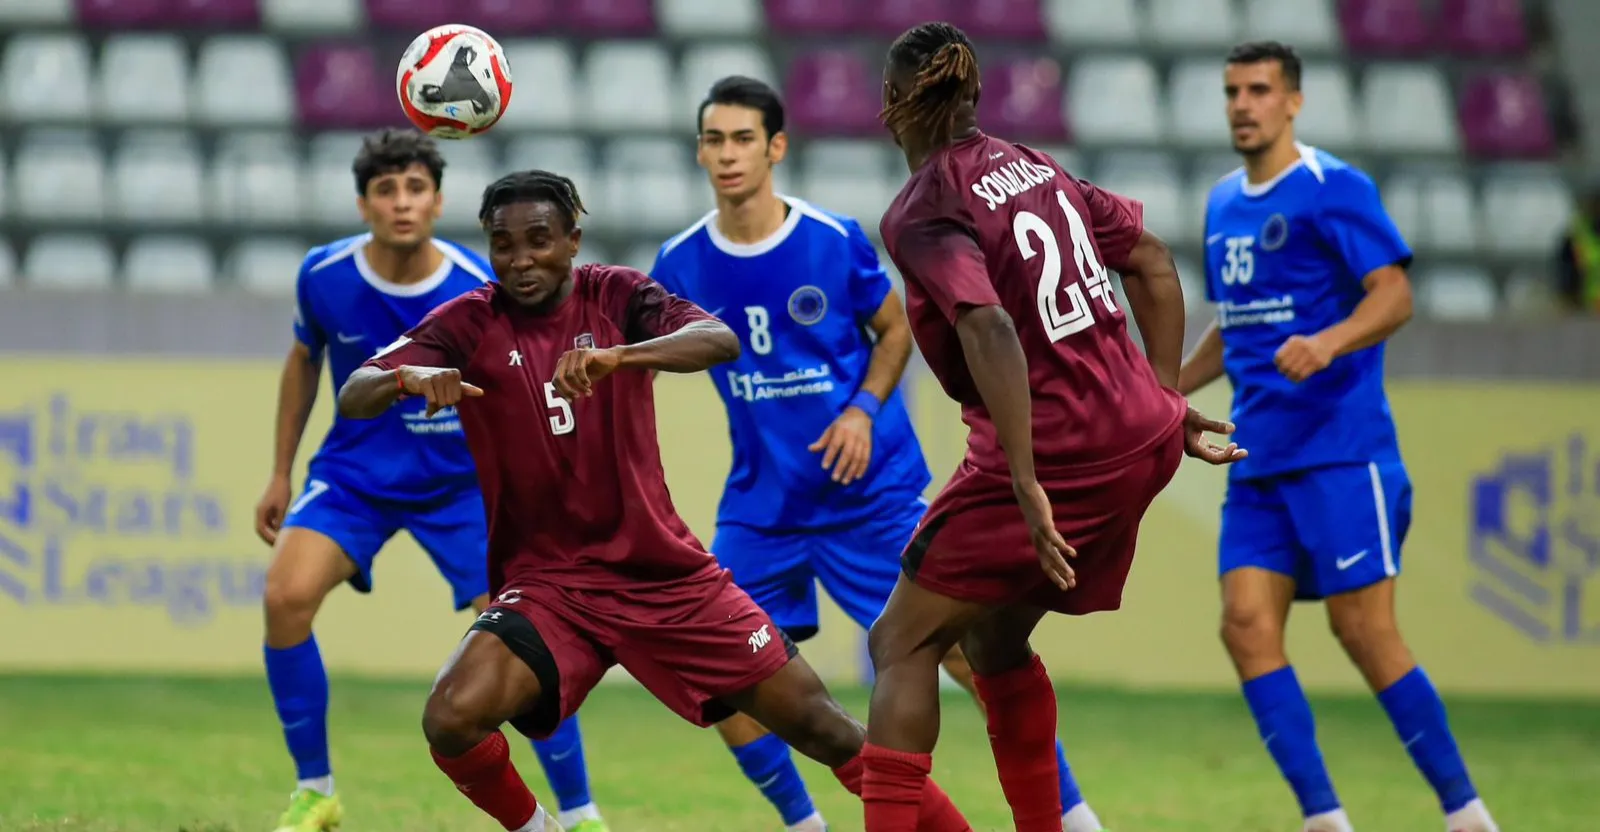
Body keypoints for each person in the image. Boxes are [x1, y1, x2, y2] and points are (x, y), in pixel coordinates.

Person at [335, 170, 974, 832]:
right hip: (552, 588)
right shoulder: (469, 322)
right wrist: (408, 377)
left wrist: (622, 357)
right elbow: (357, 390)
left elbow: (718, 340)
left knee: (827, 731)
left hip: (663, 577)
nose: (521, 260)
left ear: (573, 240)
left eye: (539, 240)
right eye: (503, 244)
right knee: (450, 717)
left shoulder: (616, 294)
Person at [651, 75, 1105, 832]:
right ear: (699, 150)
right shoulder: (681, 260)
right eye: (714, 139)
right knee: (718, 676)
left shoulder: (831, 239)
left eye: (742, 139)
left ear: (775, 147)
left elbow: (894, 332)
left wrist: (863, 410)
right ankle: (806, 823)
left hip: (870, 496)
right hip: (764, 505)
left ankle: (1073, 816)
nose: (727, 155)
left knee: (969, 654)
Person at [863, 22, 1246, 832]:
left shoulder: (924, 207)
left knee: (901, 643)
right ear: (976, 98)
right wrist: (1164, 401)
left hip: (1056, 455)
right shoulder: (1037, 166)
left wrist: (1027, 482)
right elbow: (1149, 258)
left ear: (891, 102)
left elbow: (989, 328)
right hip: (1138, 436)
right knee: (997, 642)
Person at [1176, 41, 1499, 832]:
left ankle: (1466, 814)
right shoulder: (1222, 204)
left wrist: (1328, 341)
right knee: (1245, 627)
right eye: (1231, 91)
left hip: (1341, 451)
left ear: (1293, 102)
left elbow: (1393, 296)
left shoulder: (1333, 188)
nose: (1242, 105)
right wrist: (1163, 390)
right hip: (1258, 457)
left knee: (1365, 631)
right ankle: (1324, 818)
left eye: (1258, 89)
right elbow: (1237, 320)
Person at [254, 130, 605, 832]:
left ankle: (579, 811)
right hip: (356, 477)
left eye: (415, 188)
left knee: (526, 641)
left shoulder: (480, 283)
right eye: (386, 190)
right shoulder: (324, 275)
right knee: (285, 596)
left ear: (438, 200)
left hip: (462, 487)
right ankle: (315, 791)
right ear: (364, 203)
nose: (402, 203)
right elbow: (304, 362)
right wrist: (280, 471)